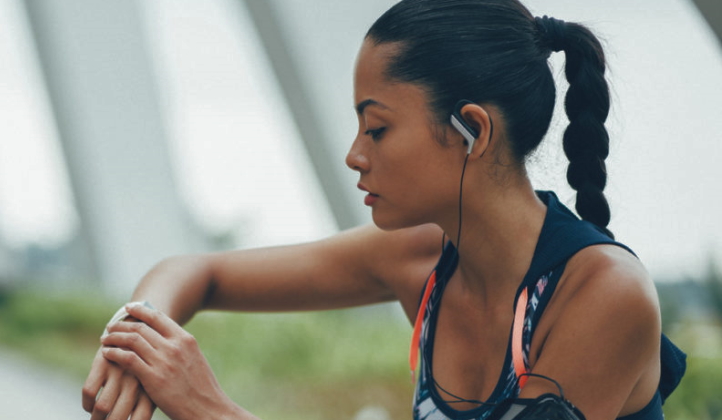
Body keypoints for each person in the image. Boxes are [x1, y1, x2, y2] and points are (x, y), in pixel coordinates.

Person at [82, 1, 686, 419]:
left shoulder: (604, 294)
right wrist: (136, 346)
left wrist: (209, 408)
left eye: (377, 128)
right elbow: (196, 272)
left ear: (472, 131)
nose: (353, 155)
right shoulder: (422, 257)